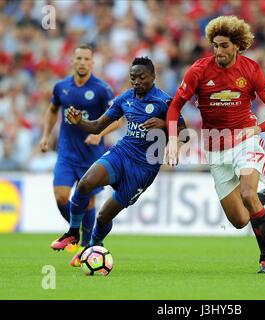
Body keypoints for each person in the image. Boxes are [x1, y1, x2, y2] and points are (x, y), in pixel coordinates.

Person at [164, 16, 265, 274]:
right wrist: (171, 137)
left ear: (237, 45)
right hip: (215, 147)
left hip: (245, 141)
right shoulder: (199, 70)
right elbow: (174, 107)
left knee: (248, 194)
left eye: (224, 46)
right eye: (215, 45)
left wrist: (257, 128)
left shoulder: (251, 70)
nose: (219, 51)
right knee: (239, 220)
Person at [50, 57, 186, 266]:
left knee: (104, 216)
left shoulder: (165, 102)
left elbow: (184, 135)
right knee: (85, 183)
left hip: (144, 169)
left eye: (142, 77)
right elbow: (96, 126)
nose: (137, 81)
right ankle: (72, 232)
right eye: (133, 78)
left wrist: (165, 125)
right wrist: (79, 122)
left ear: (153, 77)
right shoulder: (126, 99)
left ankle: (92, 247)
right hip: (122, 153)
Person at [39, 44, 119, 263]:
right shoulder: (61, 87)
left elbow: (119, 118)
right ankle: (78, 234)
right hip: (66, 153)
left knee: (89, 203)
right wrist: (46, 135)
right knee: (61, 196)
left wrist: (99, 133)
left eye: (87, 59)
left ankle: (85, 246)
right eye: (79, 58)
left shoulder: (102, 89)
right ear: (72, 61)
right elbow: (53, 109)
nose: (82, 62)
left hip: (91, 155)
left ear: (92, 63)